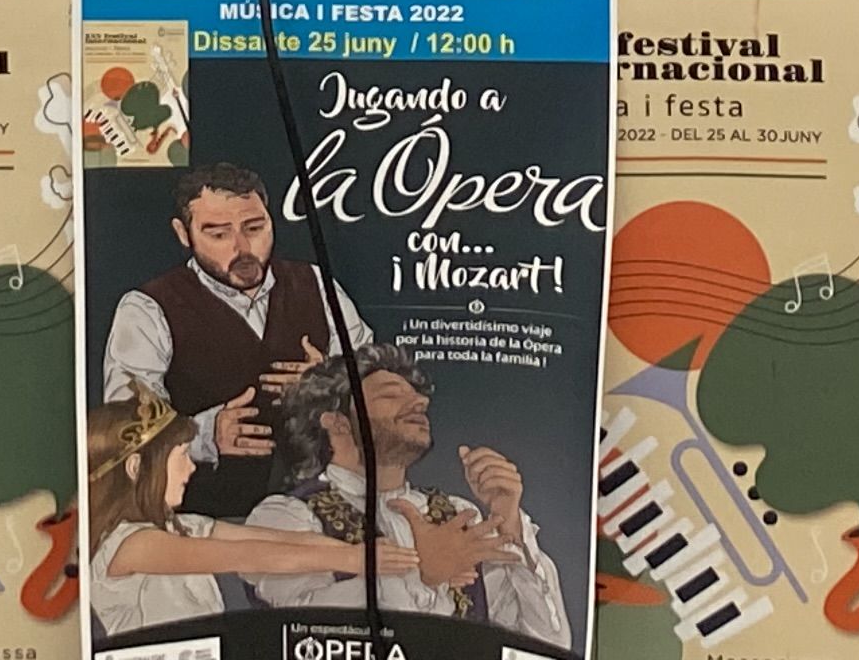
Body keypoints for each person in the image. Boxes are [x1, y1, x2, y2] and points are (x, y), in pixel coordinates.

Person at [97, 161, 376, 522]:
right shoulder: (147, 308)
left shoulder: (317, 286)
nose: (243, 248)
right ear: (184, 234)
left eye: (255, 227)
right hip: (201, 525)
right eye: (218, 234)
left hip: (323, 518)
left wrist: (328, 382)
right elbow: (125, 427)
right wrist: (204, 435)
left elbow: (380, 381)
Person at [80, 397, 489, 638]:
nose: (191, 469)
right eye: (180, 458)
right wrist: (352, 560)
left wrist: (411, 561)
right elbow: (251, 557)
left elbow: (283, 542)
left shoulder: (180, 527)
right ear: (135, 469)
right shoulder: (130, 544)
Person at [242, 346, 568, 642]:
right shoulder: (285, 517)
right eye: (389, 395)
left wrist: (509, 523)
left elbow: (544, 645)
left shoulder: (458, 514)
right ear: (337, 422)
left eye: (416, 395)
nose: (420, 402)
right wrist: (422, 574)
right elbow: (303, 632)